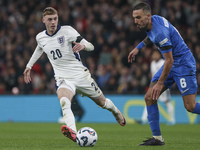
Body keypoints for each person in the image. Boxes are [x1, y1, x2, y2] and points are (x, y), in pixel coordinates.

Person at [23, 7, 126, 143]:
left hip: (81, 76)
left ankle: (116, 111)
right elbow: (39, 48)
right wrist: (29, 66)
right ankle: (73, 131)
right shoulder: (40, 37)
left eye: (55, 19)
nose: (53, 22)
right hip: (63, 79)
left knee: (103, 103)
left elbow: (91, 46)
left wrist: (84, 46)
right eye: (50, 19)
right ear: (43, 20)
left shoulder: (67, 31)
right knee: (64, 101)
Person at [128, 2, 200, 146]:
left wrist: (160, 83)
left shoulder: (160, 32)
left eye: (138, 17)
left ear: (148, 16)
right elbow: (151, 37)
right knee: (149, 97)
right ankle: (157, 138)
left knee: (190, 106)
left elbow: (169, 60)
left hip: (183, 64)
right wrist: (138, 48)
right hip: (172, 63)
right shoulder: (153, 21)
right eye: (134, 18)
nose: (135, 21)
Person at [141, 50, 175, 125]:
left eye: (156, 54)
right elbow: (153, 76)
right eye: (154, 54)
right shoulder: (152, 63)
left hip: (163, 85)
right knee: (149, 100)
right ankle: (143, 119)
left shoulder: (163, 62)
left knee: (167, 102)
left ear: (160, 55)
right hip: (154, 86)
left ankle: (172, 120)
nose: (155, 56)